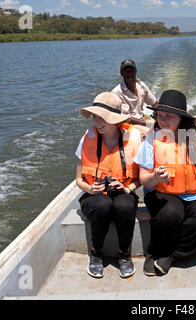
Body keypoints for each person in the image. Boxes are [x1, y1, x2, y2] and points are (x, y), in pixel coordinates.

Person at [133, 89, 196, 276]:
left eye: (168, 116)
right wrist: (156, 178)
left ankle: (173, 255)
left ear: (181, 118)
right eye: (159, 115)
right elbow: (144, 179)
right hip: (163, 192)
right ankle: (155, 253)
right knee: (171, 212)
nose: (162, 120)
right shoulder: (152, 139)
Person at [75, 92, 143, 279]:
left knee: (124, 205)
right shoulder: (86, 138)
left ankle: (124, 254)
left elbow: (140, 178)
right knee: (103, 205)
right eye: (95, 117)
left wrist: (127, 188)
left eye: (102, 118)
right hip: (93, 195)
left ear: (115, 120)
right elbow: (79, 180)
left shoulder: (134, 139)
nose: (97, 122)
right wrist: (90, 189)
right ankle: (96, 253)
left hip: (123, 191)